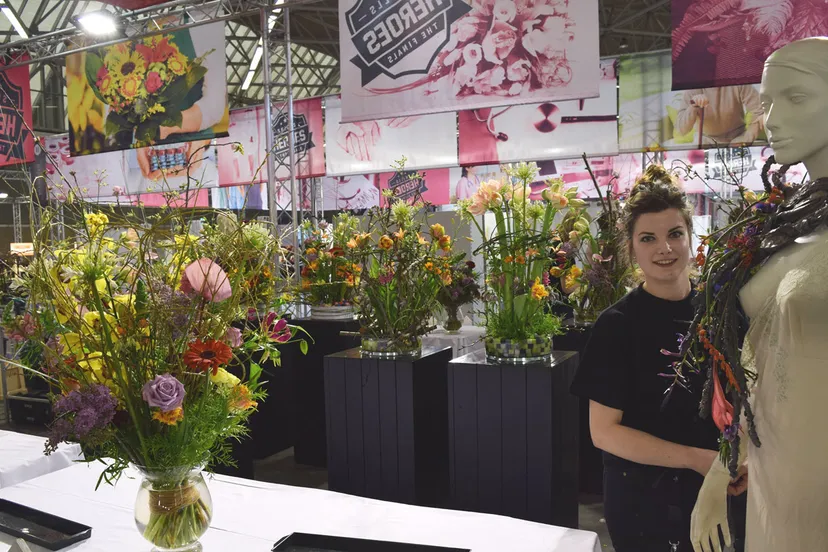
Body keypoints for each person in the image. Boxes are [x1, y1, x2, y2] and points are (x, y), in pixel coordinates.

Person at [691, 37, 828, 552]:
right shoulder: (789, 223)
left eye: (797, 97)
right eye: (767, 101)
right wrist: (723, 464)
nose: (772, 119)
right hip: (776, 478)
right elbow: (757, 357)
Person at [570, 165, 746, 551]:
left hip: (720, 486)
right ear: (631, 247)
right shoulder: (616, 325)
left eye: (674, 234)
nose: (664, 248)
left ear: (690, 237)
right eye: (648, 238)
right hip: (644, 501)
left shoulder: (722, 309)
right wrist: (695, 459)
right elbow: (604, 432)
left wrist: (737, 459)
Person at [675, 86, 764, 146]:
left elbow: (761, 112)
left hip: (738, 136)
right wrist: (693, 107)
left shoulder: (738, 81)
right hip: (706, 140)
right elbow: (681, 129)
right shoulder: (693, 88)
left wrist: (746, 138)